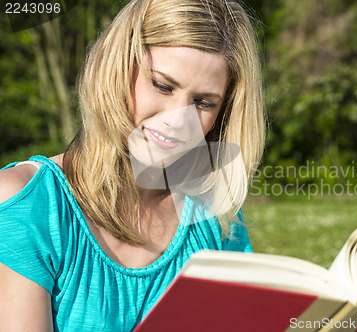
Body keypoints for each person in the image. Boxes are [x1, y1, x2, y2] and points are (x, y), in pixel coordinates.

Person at [0, 0, 265, 330]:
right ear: (116, 69)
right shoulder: (26, 204)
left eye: (202, 102)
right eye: (162, 85)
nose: (176, 120)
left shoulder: (213, 213)